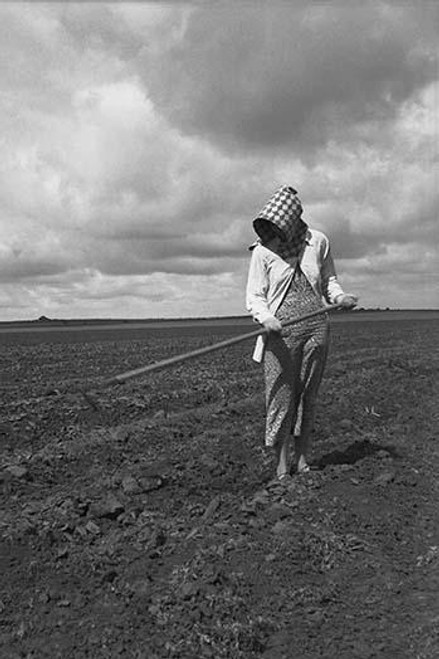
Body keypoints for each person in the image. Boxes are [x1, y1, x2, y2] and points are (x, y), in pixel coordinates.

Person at [246, 185, 357, 482]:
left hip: (316, 326)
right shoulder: (262, 251)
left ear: (293, 221)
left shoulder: (318, 242)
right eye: (269, 227)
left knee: (308, 394)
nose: (274, 233)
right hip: (279, 332)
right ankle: (281, 463)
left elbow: (329, 280)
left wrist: (339, 298)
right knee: (280, 394)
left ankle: (303, 458)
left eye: (278, 227)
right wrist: (267, 318)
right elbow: (255, 296)